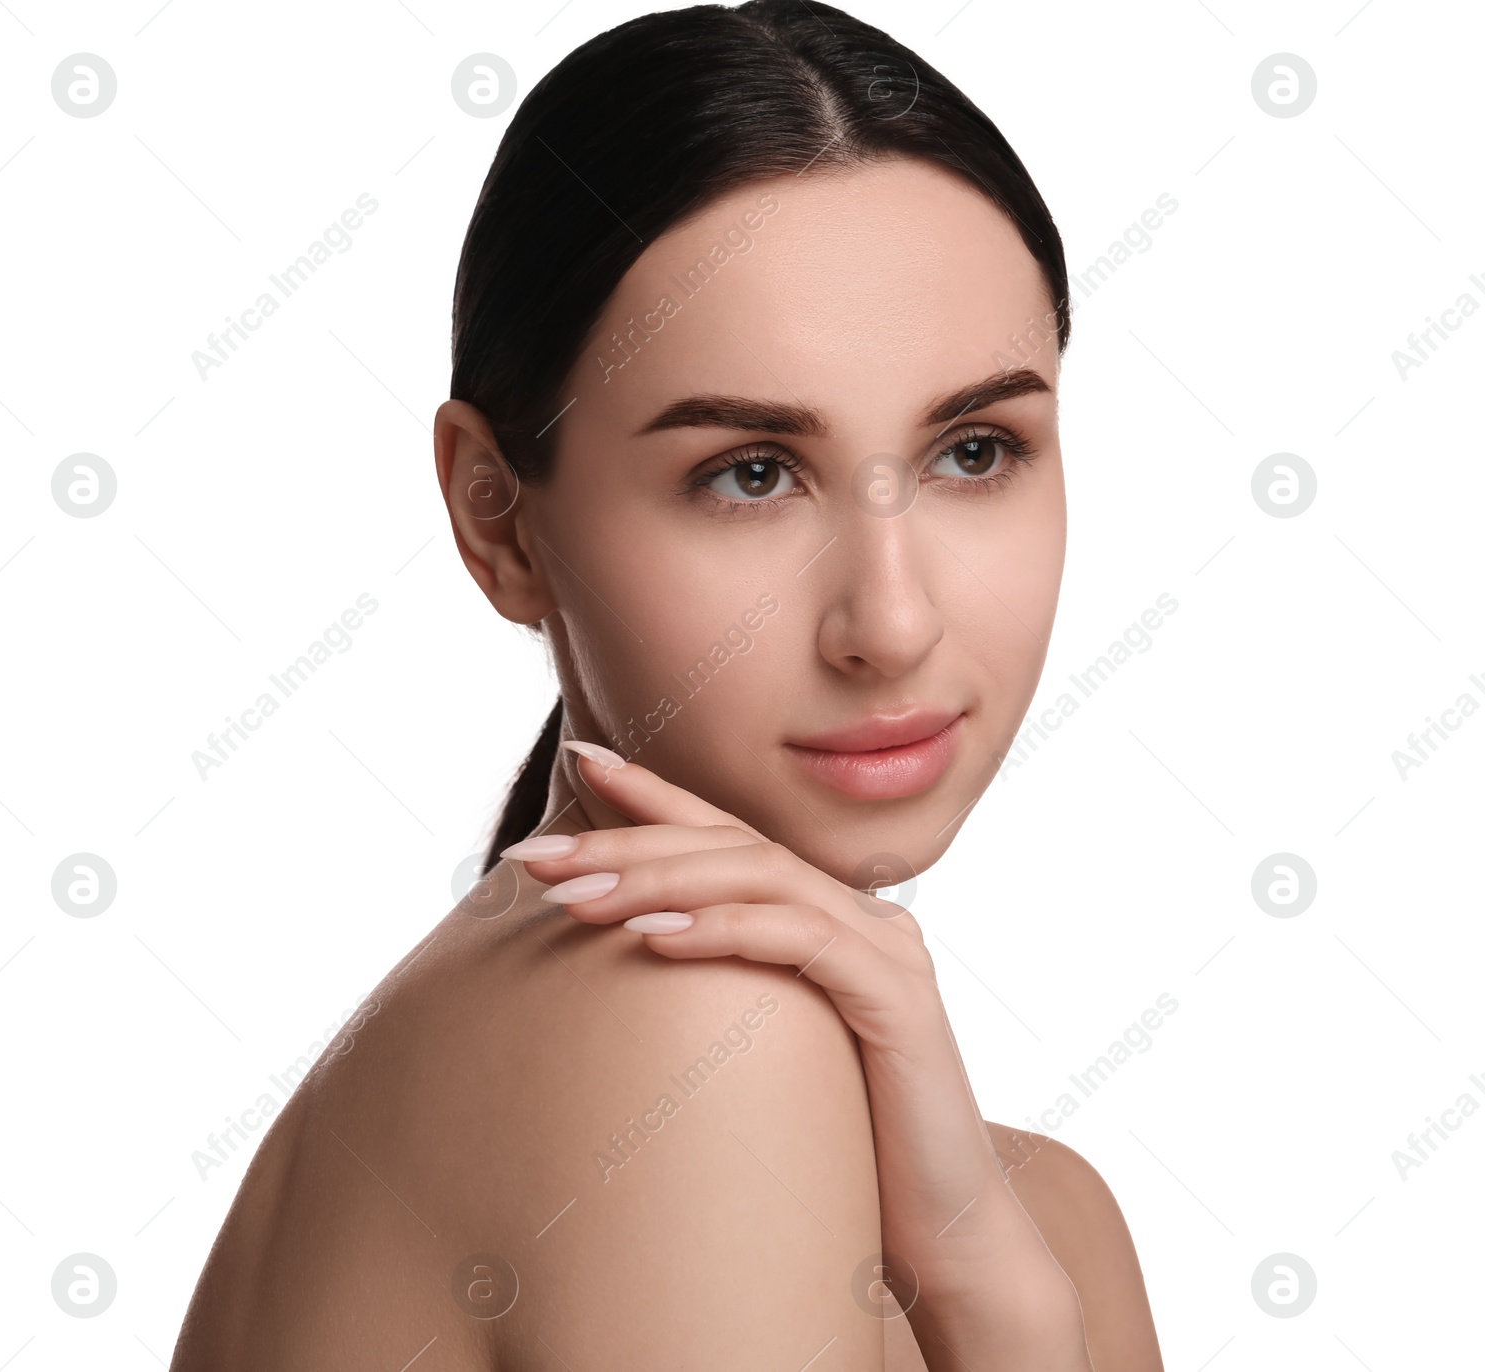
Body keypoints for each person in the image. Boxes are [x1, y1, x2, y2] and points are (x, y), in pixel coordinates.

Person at [170, 2, 1163, 1367]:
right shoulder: (692, 1040)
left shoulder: (1030, 1221)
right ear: (499, 518)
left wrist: (1007, 1300)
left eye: (976, 452)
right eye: (750, 473)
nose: (891, 618)